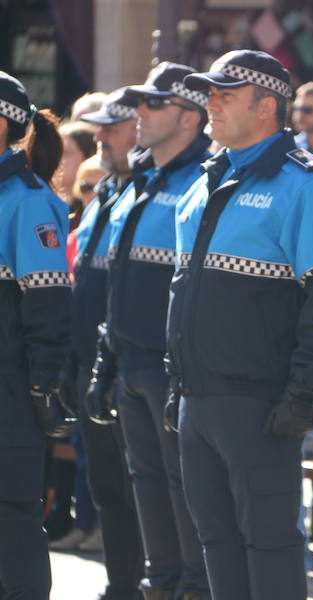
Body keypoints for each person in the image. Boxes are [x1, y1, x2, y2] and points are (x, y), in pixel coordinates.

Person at [174, 49, 313, 600]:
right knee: (215, 541)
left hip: (260, 399)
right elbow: (183, 290)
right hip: (197, 395)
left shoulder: (304, 184)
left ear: (266, 107)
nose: (211, 105)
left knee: (270, 542)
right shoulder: (205, 179)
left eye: (224, 95)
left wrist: (303, 389)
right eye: (209, 94)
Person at [87, 62, 213, 600]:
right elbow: (118, 281)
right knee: (146, 486)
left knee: (187, 490)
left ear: (189, 117)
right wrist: (103, 362)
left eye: (153, 104)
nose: (138, 112)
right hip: (129, 363)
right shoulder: (139, 181)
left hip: (173, 369)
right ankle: (160, 586)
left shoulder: (205, 180)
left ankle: (190, 588)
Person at [0, 70, 73, 600]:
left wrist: (42, 387)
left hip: (9, 389)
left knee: (11, 521)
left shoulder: (26, 200)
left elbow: (47, 305)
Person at [72, 87, 146, 600]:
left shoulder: (147, 190)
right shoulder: (106, 195)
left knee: (144, 490)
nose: (99, 136)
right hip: (90, 364)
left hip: (132, 364)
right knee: (108, 490)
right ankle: (120, 586)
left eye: (111, 127)